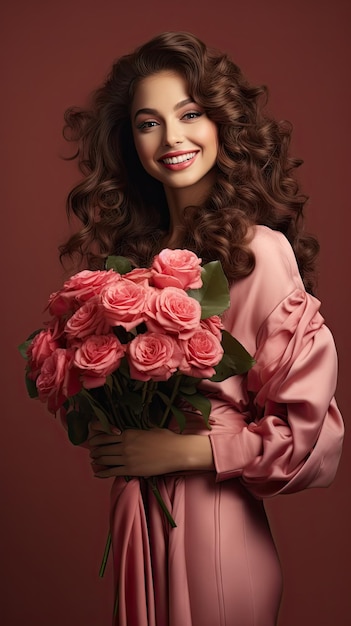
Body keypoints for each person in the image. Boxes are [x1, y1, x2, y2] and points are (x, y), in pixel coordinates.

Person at [59, 31, 344, 626]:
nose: (172, 138)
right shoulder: (135, 255)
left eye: (189, 114)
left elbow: (306, 434)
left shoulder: (258, 253)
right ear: (127, 140)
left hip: (215, 529)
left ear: (222, 123)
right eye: (148, 122)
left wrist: (178, 449)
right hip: (142, 516)